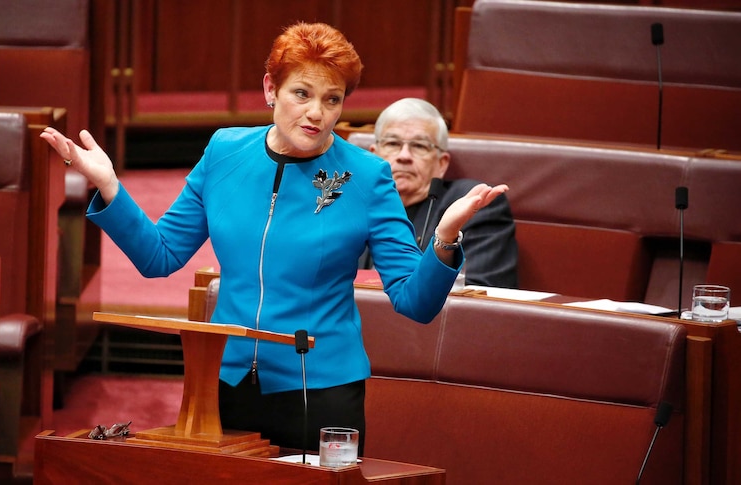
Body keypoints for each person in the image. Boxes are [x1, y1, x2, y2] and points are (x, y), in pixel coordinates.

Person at [40, 22, 507, 454]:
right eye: (301, 93)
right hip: (224, 386)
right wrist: (110, 188)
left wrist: (445, 238)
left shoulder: (368, 176)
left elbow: (414, 301)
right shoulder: (224, 152)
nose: (316, 113)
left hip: (322, 393)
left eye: (332, 99)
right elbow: (159, 257)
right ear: (270, 88)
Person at [364, 98, 519, 288]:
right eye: (393, 144)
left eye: (420, 146)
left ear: (441, 163)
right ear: (374, 155)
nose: (404, 156)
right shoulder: (346, 201)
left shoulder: (472, 207)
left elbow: (477, 292)